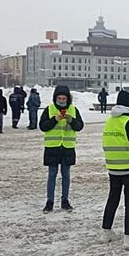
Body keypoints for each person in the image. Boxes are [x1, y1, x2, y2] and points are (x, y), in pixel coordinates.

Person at [101, 90, 129, 248]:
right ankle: (128, 236)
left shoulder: (110, 121)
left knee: (112, 199)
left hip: (113, 167)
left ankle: (106, 231)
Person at [39, 85, 84, 213]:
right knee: (52, 174)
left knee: (66, 175)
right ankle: (50, 201)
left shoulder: (73, 110)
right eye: (59, 98)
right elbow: (43, 126)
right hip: (52, 147)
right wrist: (54, 120)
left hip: (67, 147)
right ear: (55, 98)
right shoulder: (49, 109)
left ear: (68, 98)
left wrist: (71, 120)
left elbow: (79, 126)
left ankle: (65, 200)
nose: (62, 100)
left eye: (64, 98)